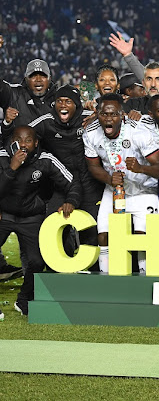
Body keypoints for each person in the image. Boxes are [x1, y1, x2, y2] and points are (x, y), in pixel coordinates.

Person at [0, 125, 80, 315]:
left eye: (28, 141)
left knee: (36, 261)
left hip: (31, 217)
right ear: (12, 141)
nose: (23, 145)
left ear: (36, 143)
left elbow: (72, 182)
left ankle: (24, 300)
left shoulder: (45, 159)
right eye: (18, 140)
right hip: (4, 214)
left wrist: (71, 200)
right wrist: (12, 167)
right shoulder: (2, 156)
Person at [83, 94, 159, 274]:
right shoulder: (90, 133)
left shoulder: (139, 131)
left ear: (122, 115)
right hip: (114, 190)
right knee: (103, 235)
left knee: (143, 239)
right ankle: (106, 279)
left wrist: (141, 168)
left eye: (113, 115)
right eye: (104, 114)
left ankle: (146, 279)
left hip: (143, 190)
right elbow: (93, 166)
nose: (108, 119)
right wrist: (109, 179)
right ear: (97, 113)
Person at [26, 85, 103, 259]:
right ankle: (60, 273)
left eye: (68, 101)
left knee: (92, 231)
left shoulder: (89, 118)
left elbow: (117, 119)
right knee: (55, 227)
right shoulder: (46, 121)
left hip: (92, 183)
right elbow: (22, 135)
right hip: (62, 184)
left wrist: (99, 113)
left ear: (77, 105)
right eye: (59, 101)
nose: (62, 105)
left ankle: (93, 271)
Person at [0, 59, 56, 143]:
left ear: (49, 79)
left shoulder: (61, 99)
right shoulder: (13, 94)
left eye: (43, 76)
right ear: (26, 79)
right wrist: (7, 122)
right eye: (33, 76)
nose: (38, 79)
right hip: (18, 153)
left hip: (52, 152)